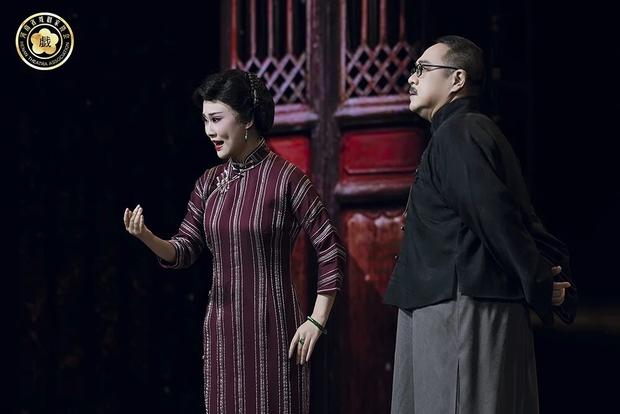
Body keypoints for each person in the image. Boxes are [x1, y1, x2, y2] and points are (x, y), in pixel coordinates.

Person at [123, 69, 346, 414]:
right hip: (222, 333)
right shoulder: (208, 183)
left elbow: (330, 248)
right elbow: (183, 249)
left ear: (247, 120)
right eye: (205, 121)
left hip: (274, 329)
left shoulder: (287, 179)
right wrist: (146, 236)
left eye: (216, 119)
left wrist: (316, 320)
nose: (209, 131)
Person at [383, 36, 577, 414]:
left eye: (423, 69)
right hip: (442, 298)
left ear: (457, 79)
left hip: (461, 303)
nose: (411, 78)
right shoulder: (454, 133)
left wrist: (539, 281)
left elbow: (494, 215)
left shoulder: (462, 131)